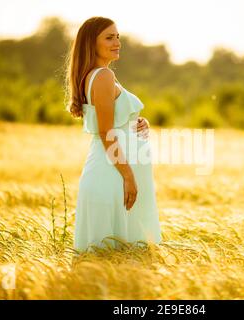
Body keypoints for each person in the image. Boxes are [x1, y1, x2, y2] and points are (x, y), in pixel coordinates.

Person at [65, 16, 162, 253]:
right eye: (109, 37)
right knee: (114, 256)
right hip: (114, 175)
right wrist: (128, 177)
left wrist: (136, 123)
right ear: (91, 44)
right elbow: (106, 131)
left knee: (112, 257)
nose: (117, 42)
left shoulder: (100, 75)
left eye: (117, 36)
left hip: (112, 171)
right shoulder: (103, 76)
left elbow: (114, 123)